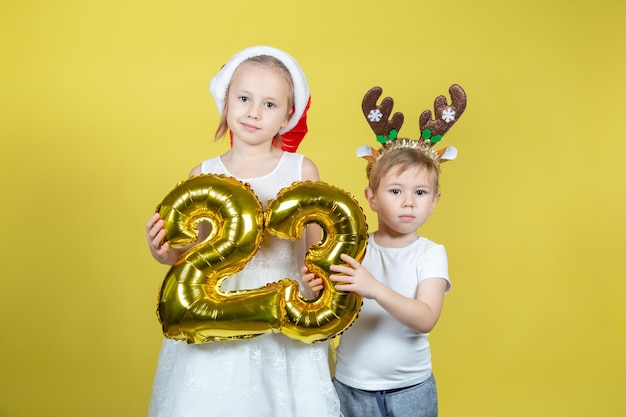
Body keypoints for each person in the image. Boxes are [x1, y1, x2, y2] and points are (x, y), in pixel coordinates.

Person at [145, 45, 340, 417]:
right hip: (218, 303)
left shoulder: (301, 171)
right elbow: (196, 251)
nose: (253, 112)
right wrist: (164, 254)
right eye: (244, 98)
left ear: (287, 116)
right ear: (226, 102)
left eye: (269, 104)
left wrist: (318, 281)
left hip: (282, 306)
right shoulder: (202, 174)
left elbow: (318, 249)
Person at [303, 85, 466, 417]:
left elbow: (425, 319)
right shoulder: (354, 249)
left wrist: (374, 288)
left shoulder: (430, 254)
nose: (408, 202)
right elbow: (328, 304)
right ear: (372, 197)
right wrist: (315, 283)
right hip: (351, 387)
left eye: (420, 192)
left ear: (434, 202)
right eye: (395, 190)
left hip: (411, 391)